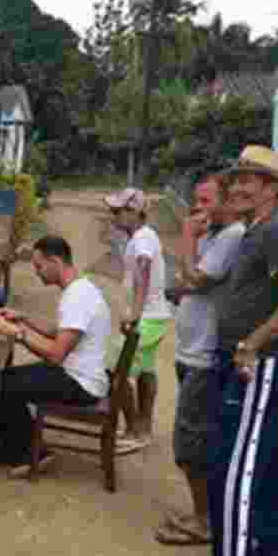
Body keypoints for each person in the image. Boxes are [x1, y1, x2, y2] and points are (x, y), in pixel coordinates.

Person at [182, 146, 278, 556]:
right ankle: (274, 554)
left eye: (251, 180)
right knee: (267, 457)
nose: (238, 186)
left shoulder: (277, 232)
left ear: (273, 189)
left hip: (255, 365)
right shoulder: (253, 233)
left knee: (234, 467)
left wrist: (252, 343)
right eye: (236, 178)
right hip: (243, 362)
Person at [155, 173, 245, 545]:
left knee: (191, 443)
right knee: (194, 438)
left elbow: (196, 280)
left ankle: (205, 522)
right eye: (196, 200)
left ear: (226, 201)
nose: (197, 208)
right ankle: (202, 514)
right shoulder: (214, 235)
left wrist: (188, 240)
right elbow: (186, 278)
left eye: (206, 201)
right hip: (191, 351)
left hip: (206, 356)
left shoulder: (232, 236)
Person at [0, 235, 112, 476]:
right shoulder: (79, 289)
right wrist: (23, 318)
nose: (37, 273)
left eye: (39, 266)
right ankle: (19, 444)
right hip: (79, 374)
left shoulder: (78, 297)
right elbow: (57, 330)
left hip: (81, 383)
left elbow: (56, 355)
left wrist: (17, 334)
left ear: (56, 262)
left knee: (5, 384)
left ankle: (29, 455)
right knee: (8, 376)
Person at [104, 187, 172, 444]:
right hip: (155, 316)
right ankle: (144, 428)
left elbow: (143, 270)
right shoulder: (144, 236)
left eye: (119, 211)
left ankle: (134, 429)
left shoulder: (143, 238)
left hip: (147, 318)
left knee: (115, 370)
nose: (114, 216)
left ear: (135, 212)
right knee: (146, 369)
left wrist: (135, 313)